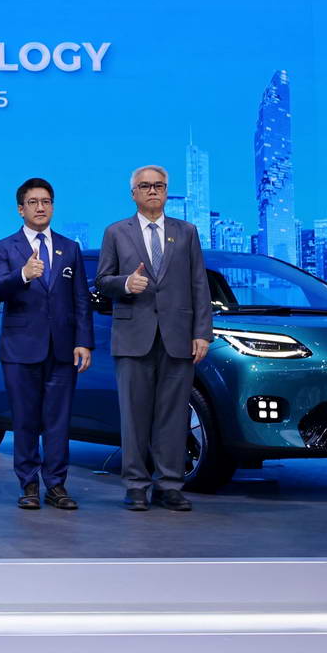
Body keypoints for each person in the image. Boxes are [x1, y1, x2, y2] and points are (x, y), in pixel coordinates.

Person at [95, 165, 213, 512]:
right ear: (133, 193)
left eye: (159, 186)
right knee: (134, 417)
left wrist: (202, 333)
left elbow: (199, 285)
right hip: (133, 336)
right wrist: (126, 283)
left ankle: (170, 485)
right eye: (145, 186)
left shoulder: (186, 232)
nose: (152, 191)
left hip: (178, 338)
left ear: (166, 192)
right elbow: (102, 281)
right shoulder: (116, 232)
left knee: (174, 416)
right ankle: (136, 485)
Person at [0, 177, 94, 510]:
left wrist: (83, 341)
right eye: (33, 202)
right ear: (21, 209)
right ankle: (29, 484)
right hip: (20, 348)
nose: (40, 207)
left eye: (46, 201)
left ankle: (57, 485)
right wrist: (23, 274)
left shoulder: (69, 248)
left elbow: (80, 298)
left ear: (53, 207)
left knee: (59, 421)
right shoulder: (3, 248)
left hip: (62, 348)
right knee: (25, 419)